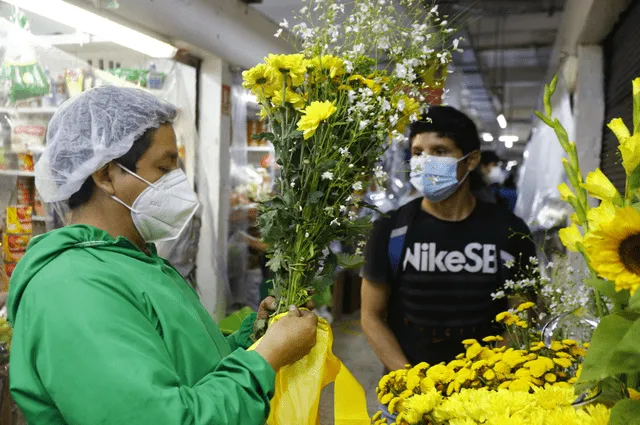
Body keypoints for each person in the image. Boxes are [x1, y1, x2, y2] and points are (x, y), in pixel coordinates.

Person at [7, 86, 317, 425]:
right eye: (164, 167)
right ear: (106, 175)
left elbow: (191, 370)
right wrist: (268, 358)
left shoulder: (136, 261)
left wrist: (255, 339)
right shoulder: (73, 288)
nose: (178, 183)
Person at [360, 106, 536, 371]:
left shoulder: (510, 230)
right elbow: (371, 315)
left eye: (440, 151)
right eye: (418, 152)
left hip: (488, 392)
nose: (425, 161)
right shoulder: (391, 229)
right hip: (408, 390)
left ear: (471, 159)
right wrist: (408, 379)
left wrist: (486, 376)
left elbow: (522, 315)